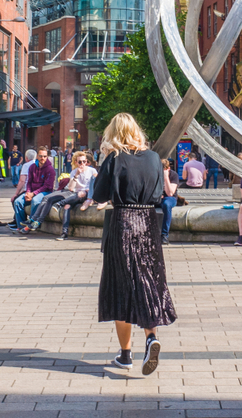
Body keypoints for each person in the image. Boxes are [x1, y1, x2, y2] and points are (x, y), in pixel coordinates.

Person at [92, 113, 175, 375]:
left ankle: (125, 354)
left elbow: (100, 194)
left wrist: (105, 160)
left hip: (123, 221)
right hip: (148, 223)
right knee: (147, 281)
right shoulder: (152, 157)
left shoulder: (115, 158)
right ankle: (151, 337)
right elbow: (159, 191)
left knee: (120, 285)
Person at [26, 151, 97, 237]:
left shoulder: (92, 170)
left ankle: (59, 204)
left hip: (87, 195)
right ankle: (64, 232)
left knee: (81, 193)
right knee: (67, 207)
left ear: (86, 161)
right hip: (75, 196)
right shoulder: (74, 172)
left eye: (84, 161)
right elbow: (71, 188)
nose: (82, 164)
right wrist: (77, 175)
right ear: (76, 162)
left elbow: (97, 183)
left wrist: (90, 190)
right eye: (80, 162)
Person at [12, 146, 54, 231]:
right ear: (37, 156)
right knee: (17, 201)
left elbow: (47, 186)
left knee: (35, 200)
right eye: (41, 156)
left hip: (45, 192)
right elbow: (29, 182)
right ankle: (21, 225)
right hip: (32, 191)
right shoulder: (32, 167)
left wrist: (33, 194)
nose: (43, 158)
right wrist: (28, 192)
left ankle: (30, 225)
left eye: (45, 156)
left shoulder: (50, 169)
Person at [8, 148, 36, 231]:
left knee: (15, 200)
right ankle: (16, 220)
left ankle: (19, 223)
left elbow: (22, 181)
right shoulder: (37, 164)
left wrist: (16, 193)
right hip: (35, 191)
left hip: (29, 191)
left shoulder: (26, 165)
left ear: (26, 158)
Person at [161, 159, 179, 245]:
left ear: (168, 169)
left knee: (166, 205)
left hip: (169, 198)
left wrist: (166, 178)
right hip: (157, 197)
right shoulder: (154, 173)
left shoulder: (173, 175)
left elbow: (170, 193)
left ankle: (164, 235)